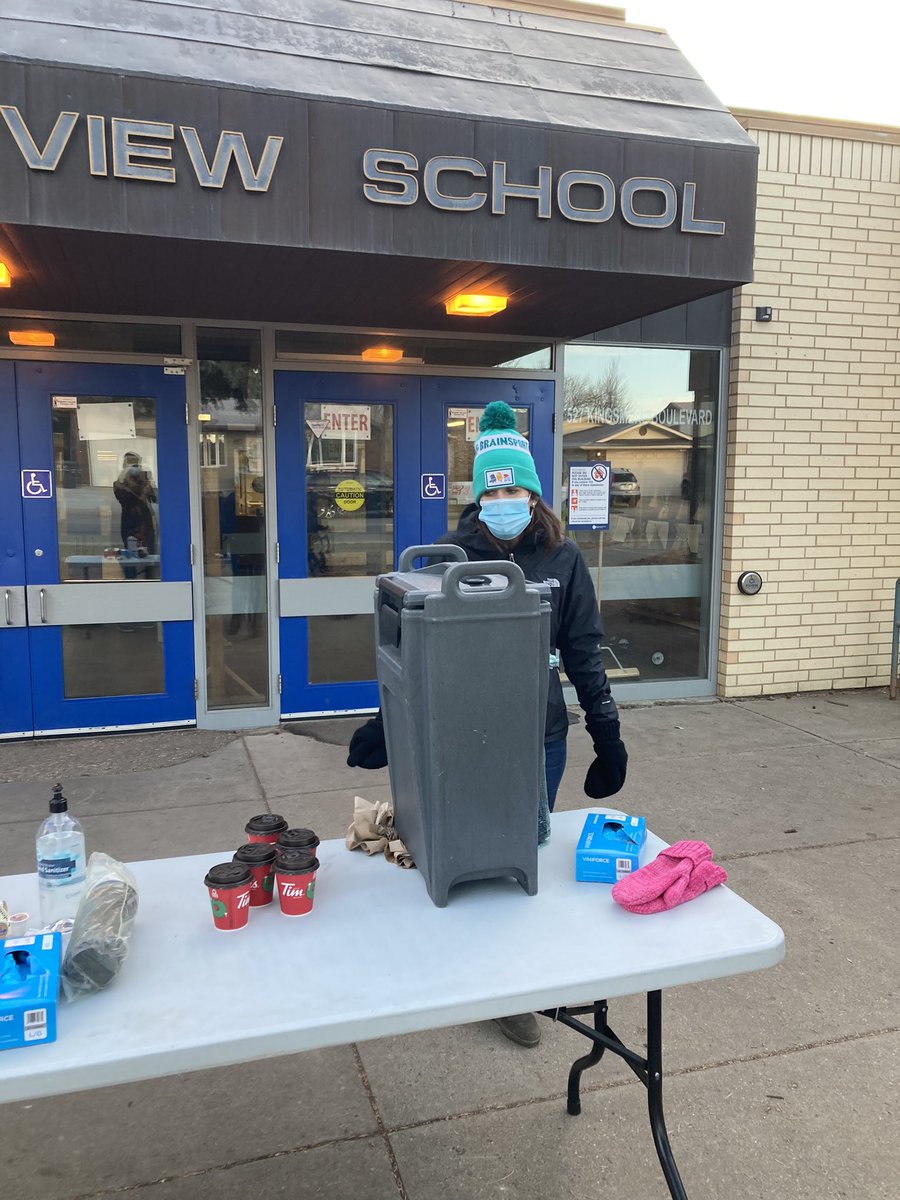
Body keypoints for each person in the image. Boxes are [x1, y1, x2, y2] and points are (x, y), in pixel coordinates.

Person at [347, 401, 627, 1048]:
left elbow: (583, 650)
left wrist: (606, 735)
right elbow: (414, 651)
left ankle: (510, 987)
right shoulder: (445, 557)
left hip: (538, 734)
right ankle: (464, 974)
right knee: (464, 850)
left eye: (515, 488)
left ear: (534, 494)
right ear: (478, 495)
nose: (504, 498)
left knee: (518, 857)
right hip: (457, 733)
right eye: (492, 488)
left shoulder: (563, 559)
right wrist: (384, 725)